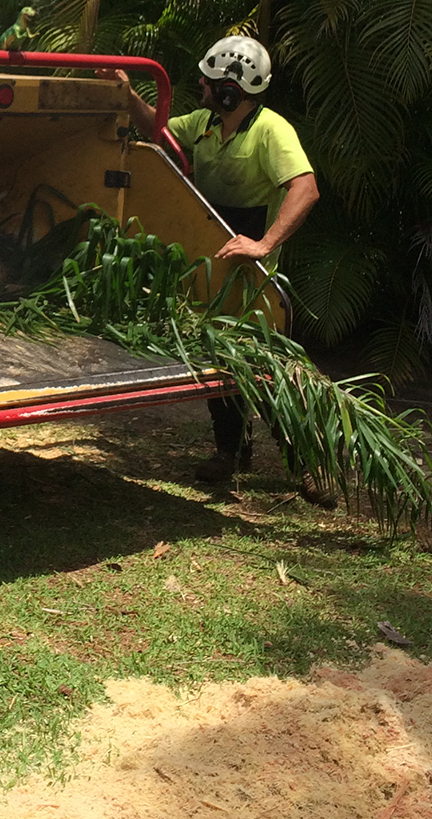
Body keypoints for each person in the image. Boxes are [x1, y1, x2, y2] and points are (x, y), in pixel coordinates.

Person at [108, 36, 320, 485]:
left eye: (209, 82)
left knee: (269, 373)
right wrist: (127, 95)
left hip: (253, 280)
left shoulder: (271, 131)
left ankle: (305, 468)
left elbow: (305, 188)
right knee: (219, 366)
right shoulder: (204, 124)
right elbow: (156, 129)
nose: (200, 86)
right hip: (214, 270)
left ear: (231, 90)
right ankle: (230, 453)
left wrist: (263, 245)